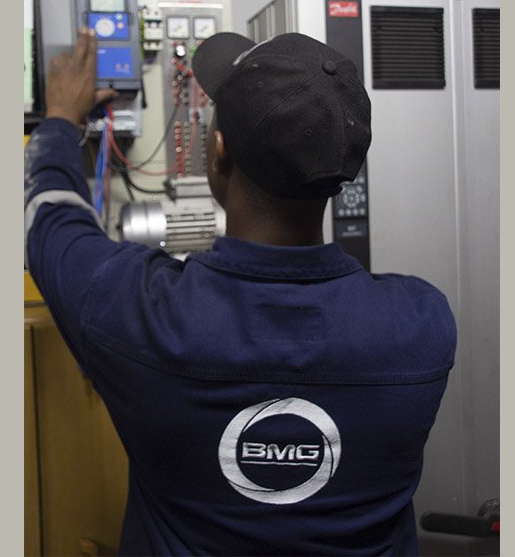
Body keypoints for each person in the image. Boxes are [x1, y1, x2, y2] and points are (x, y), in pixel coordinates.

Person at [25, 28, 457, 555]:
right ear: (342, 169)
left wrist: (60, 118)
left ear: (219, 152)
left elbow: (49, 220)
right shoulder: (423, 326)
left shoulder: (133, 314)